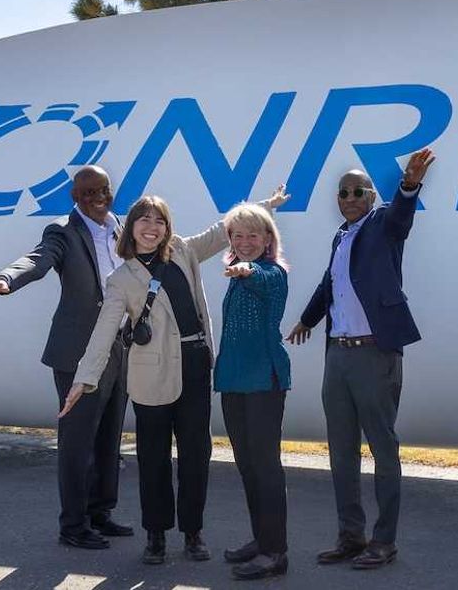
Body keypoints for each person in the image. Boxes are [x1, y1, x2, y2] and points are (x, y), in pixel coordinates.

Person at [59, 185, 289, 565]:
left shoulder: (182, 250)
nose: (152, 226)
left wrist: (267, 205)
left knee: (197, 455)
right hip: (151, 375)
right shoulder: (121, 280)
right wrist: (84, 380)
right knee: (153, 459)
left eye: (159, 220)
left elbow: (222, 231)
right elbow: (104, 332)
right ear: (130, 228)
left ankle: (193, 533)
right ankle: (156, 536)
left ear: (168, 227)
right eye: (144, 220)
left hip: (195, 365)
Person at [0, 166, 130, 550]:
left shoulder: (119, 227)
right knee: (77, 442)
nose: (96, 198)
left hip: (119, 347)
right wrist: (7, 280)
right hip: (77, 353)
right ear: (75, 196)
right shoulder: (62, 231)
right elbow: (38, 259)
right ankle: (73, 526)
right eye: (87, 193)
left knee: (108, 437)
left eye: (102, 190)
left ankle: (100, 513)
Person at [286, 148, 435, 571]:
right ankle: (350, 536)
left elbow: (402, 216)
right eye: (343, 192)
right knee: (341, 451)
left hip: (374, 352)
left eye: (357, 191)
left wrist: (408, 186)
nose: (349, 198)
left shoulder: (383, 224)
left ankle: (383, 541)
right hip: (339, 355)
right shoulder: (340, 236)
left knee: (383, 450)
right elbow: (329, 284)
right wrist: (307, 320)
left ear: (371, 196)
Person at [214, 203, 291, 581]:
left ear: (267, 240)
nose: (245, 242)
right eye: (238, 235)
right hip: (234, 382)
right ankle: (261, 541)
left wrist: (247, 270)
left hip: (264, 382)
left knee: (265, 467)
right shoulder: (234, 277)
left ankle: (275, 552)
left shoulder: (271, 272)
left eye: (253, 235)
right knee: (247, 467)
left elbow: (258, 275)